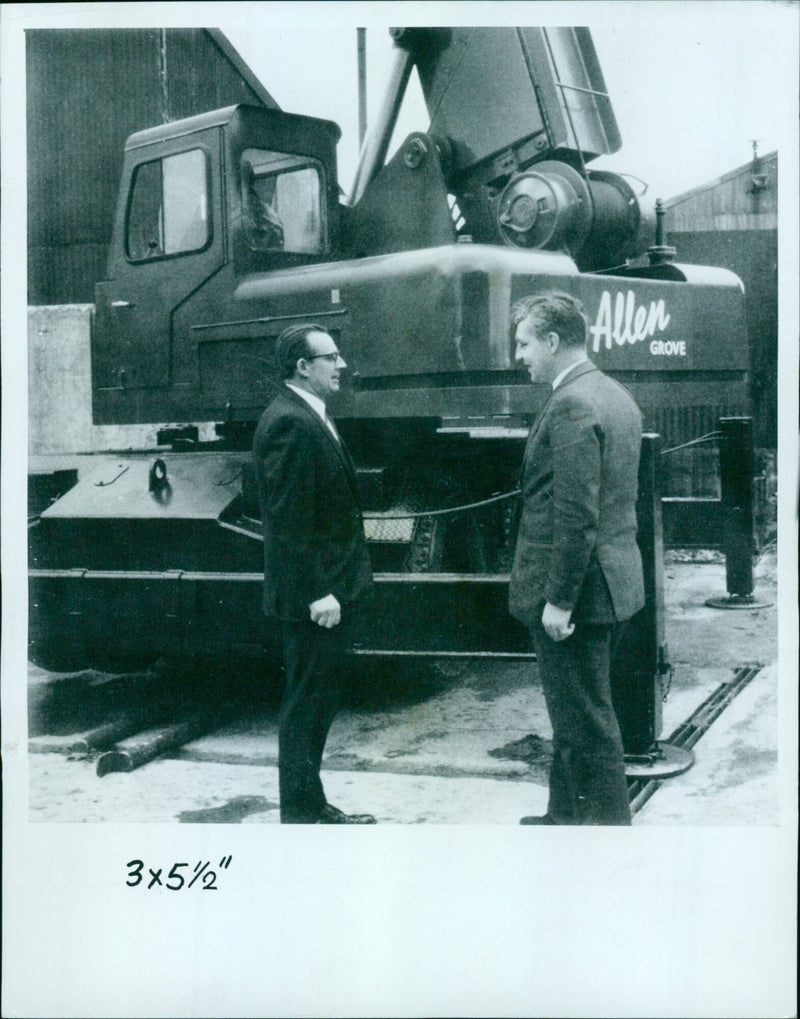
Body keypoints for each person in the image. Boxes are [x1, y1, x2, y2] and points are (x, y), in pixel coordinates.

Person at [508, 292, 644, 826]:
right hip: (608, 587)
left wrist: (558, 600)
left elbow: (575, 515)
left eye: (524, 344)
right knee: (574, 715)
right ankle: (563, 819)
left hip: (578, 597)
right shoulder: (612, 394)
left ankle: (606, 842)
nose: (519, 356)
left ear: (552, 341)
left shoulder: (572, 403)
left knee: (586, 724)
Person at [253, 323, 375, 824]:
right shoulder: (291, 422)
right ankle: (301, 815)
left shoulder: (308, 415)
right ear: (303, 367)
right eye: (331, 357)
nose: (341, 365)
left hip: (328, 592)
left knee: (317, 701)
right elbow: (287, 521)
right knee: (307, 705)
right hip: (315, 599)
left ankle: (310, 805)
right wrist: (319, 591)